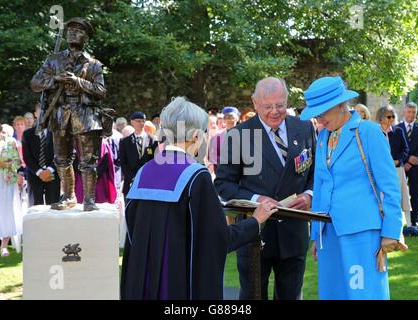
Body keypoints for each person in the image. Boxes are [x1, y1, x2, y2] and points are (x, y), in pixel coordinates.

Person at [120, 97, 278, 300]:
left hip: (143, 283)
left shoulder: (144, 172)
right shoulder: (196, 176)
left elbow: (132, 234)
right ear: (196, 136)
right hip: (181, 285)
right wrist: (255, 221)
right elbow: (217, 240)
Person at [300, 76, 404, 300]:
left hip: (363, 233)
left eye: (322, 113)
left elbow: (389, 186)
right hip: (329, 233)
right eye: (316, 115)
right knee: (332, 295)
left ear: (340, 105)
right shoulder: (322, 137)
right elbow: (320, 187)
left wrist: (390, 232)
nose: (319, 120)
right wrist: (316, 235)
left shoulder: (369, 132)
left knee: (364, 295)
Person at [215, 77, 316, 300]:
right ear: (255, 103)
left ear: (287, 101)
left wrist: (309, 195)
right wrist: (256, 198)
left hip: (294, 233)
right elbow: (222, 183)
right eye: (267, 106)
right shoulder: (238, 135)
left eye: (280, 105)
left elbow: (317, 174)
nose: (274, 112)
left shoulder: (305, 128)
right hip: (255, 236)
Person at [30, 17, 107, 211]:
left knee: (88, 161)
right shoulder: (53, 60)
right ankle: (68, 195)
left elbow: (100, 90)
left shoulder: (94, 64)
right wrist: (56, 79)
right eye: (70, 29)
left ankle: (89, 199)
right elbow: (35, 83)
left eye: (79, 30)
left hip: (85, 115)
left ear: (86, 38)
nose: (73, 32)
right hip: (60, 114)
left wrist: (78, 82)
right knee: (61, 158)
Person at [375, 106, 412, 228]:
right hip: (380, 170)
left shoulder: (398, 131)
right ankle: (382, 222)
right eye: (388, 116)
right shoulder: (375, 132)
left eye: (393, 116)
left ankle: (407, 224)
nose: (391, 119)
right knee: (382, 196)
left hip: (397, 169)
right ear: (381, 117)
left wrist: (398, 161)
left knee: (400, 196)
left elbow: (405, 149)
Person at [0, 119, 23, 257]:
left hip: (6, 182)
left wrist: (5, 163)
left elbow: (18, 162)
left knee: (6, 214)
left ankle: (4, 246)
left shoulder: (10, 142)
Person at [397, 102, 418, 227]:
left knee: (415, 193)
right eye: (409, 111)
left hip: (415, 166)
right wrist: (407, 160)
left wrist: (415, 159)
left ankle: (414, 221)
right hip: (401, 166)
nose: (411, 114)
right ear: (404, 112)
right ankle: (397, 221)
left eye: (413, 112)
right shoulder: (397, 128)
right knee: (398, 193)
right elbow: (396, 148)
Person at [119, 112, 158, 197]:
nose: (141, 123)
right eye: (138, 121)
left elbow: (155, 160)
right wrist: (132, 178)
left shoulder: (153, 140)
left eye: (143, 121)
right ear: (132, 122)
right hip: (130, 182)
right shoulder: (125, 142)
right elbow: (123, 162)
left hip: (147, 181)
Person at [22, 125, 60, 206]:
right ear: (35, 113)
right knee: (35, 209)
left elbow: (60, 154)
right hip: (34, 175)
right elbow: (27, 157)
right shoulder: (27, 134)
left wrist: (49, 170)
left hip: (53, 176)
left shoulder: (57, 132)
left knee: (53, 209)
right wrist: (40, 172)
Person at [74, 138, 117, 204]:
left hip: (99, 179)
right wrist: (84, 172)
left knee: (99, 203)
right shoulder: (77, 143)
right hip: (82, 177)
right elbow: (75, 161)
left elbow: (105, 161)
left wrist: (95, 174)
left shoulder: (103, 144)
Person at [208, 106, 240, 174]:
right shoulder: (217, 136)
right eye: (228, 118)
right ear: (224, 119)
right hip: (222, 171)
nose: (230, 120)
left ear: (237, 119)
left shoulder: (244, 135)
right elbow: (213, 156)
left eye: (232, 118)